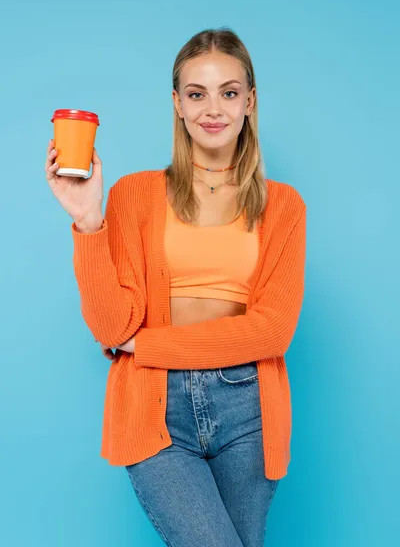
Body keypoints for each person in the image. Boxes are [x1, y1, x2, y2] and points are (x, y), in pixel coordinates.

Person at [45, 27, 306, 547]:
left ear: (249, 102)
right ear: (177, 105)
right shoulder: (134, 195)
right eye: (196, 93)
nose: (213, 108)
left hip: (247, 409)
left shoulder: (284, 206)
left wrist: (150, 345)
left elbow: (272, 333)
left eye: (229, 92)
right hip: (152, 408)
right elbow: (111, 326)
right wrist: (89, 220)